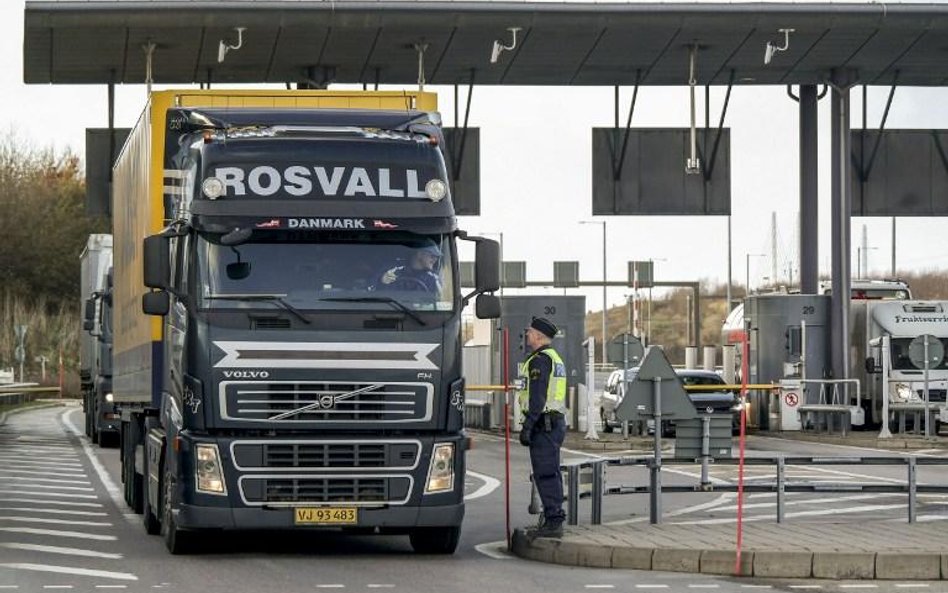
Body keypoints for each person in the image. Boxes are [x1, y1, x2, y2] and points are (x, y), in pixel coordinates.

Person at [517, 316, 567, 538]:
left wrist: (528, 425)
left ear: (538, 335)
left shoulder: (540, 360)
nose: (527, 335)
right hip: (552, 423)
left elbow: (538, 397)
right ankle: (551, 517)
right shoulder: (552, 357)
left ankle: (554, 521)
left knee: (545, 473)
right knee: (551, 471)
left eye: (529, 332)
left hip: (544, 425)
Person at [374, 241, 442, 293]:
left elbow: (439, 301)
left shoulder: (432, 279)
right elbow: (371, 291)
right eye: (432, 256)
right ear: (420, 254)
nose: (435, 260)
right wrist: (381, 281)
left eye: (437, 257)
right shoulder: (393, 270)